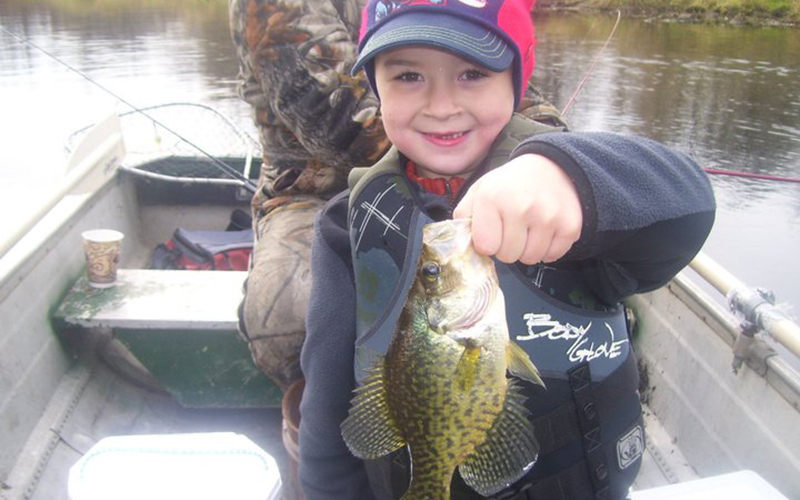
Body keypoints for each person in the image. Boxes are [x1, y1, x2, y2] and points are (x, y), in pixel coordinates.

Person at [298, 0, 716, 499]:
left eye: (472, 73)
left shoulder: (567, 199)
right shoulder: (347, 229)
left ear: (516, 82)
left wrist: (575, 181)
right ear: (375, 88)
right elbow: (325, 416)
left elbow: (689, 201)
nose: (441, 104)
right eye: (408, 77)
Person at [227, 0, 562, 391]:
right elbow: (333, 117)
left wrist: (547, 156)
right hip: (315, 189)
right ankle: (315, 410)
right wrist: (434, 169)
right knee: (286, 311)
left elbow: (502, 68)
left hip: (477, 171)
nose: (443, 104)